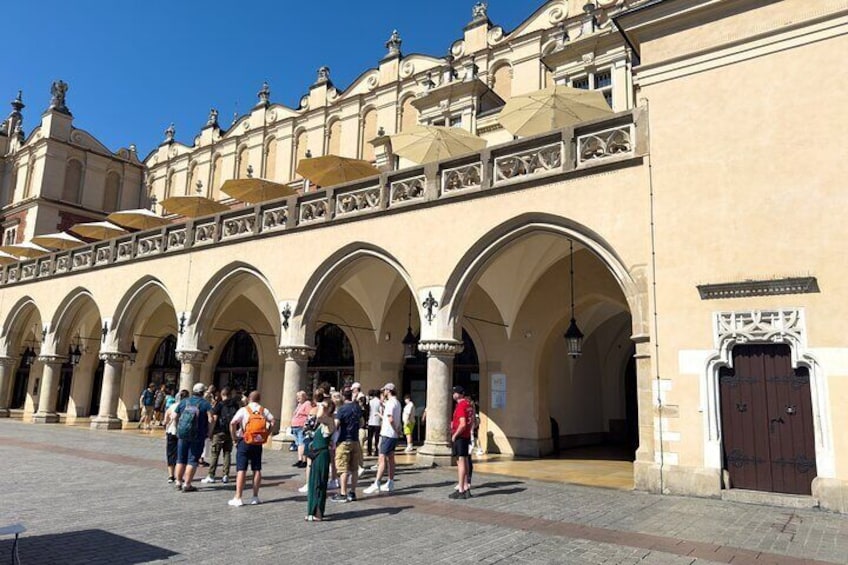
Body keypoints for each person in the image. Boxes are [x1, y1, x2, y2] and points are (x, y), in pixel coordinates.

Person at [228, 390, 275, 507]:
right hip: (258, 442)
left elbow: (233, 423)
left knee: (241, 469)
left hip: (245, 440)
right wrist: (266, 434)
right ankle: (255, 497)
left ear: (249, 399)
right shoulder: (263, 410)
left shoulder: (244, 410)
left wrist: (234, 437)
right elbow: (273, 421)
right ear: (259, 399)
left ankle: (238, 497)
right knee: (257, 469)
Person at [173, 382, 214, 492]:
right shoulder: (205, 404)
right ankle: (187, 484)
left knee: (180, 459)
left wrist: (177, 428)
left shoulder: (184, 402)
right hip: (198, 435)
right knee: (192, 460)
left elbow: (175, 416)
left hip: (183, 434)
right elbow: (211, 419)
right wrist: (209, 432)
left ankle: (178, 482)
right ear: (203, 392)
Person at [363, 383, 401, 494]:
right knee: (391, 458)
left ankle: (377, 482)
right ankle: (390, 482)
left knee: (382, 458)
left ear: (388, 391)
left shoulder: (390, 403)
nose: (383, 392)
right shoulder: (397, 402)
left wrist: (395, 429)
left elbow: (390, 419)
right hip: (392, 435)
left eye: (384, 390)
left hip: (388, 434)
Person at [305, 394, 335, 521]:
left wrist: (322, 406)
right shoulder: (321, 424)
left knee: (320, 483)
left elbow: (319, 416)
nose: (321, 408)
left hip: (322, 454)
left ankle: (318, 512)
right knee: (313, 482)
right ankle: (311, 510)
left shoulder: (330, 421)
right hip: (316, 454)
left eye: (324, 407)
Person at [330, 388, 362, 503]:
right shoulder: (357, 407)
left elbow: (336, 425)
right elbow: (362, 422)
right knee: (354, 468)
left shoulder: (342, 409)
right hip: (355, 440)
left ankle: (343, 493)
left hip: (344, 440)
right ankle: (352, 492)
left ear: (343, 396)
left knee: (342, 468)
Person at [202, 386, 239, 484]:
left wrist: (210, 432)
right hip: (230, 432)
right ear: (230, 395)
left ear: (222, 395)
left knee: (215, 454)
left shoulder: (220, 405)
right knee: (227, 453)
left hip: (219, 432)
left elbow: (214, 419)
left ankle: (211, 475)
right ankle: (225, 475)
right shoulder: (235, 405)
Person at [449, 385, 472, 500]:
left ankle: (461, 489)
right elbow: (472, 422)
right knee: (465, 460)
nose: (453, 394)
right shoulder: (469, 405)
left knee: (461, 462)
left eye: (455, 392)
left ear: (459, 394)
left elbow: (462, 424)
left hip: (460, 437)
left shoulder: (461, 406)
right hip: (466, 436)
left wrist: (455, 435)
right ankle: (466, 487)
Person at [163, 389, 189, 483]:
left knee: (170, 453)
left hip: (171, 431)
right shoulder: (187, 407)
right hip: (183, 433)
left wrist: (166, 424)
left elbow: (165, 421)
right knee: (181, 454)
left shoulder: (172, 406)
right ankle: (179, 476)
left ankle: (171, 476)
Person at [290, 391, 312, 468]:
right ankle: (300, 459)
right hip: (295, 426)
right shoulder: (299, 405)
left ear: (304, 397)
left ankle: (303, 460)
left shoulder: (307, 404)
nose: (298, 398)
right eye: (297, 397)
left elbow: (309, 415)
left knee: (301, 443)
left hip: (301, 426)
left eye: (300, 396)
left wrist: (306, 425)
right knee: (298, 444)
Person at [366, 389, 382, 457]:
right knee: (376, 437)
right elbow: (381, 411)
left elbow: (368, 410)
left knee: (369, 437)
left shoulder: (370, 401)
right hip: (377, 422)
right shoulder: (379, 402)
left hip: (370, 421)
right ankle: (376, 450)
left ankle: (369, 451)